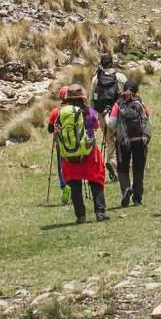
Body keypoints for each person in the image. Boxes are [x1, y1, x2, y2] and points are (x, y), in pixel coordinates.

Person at [47, 84, 110, 223]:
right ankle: (100, 212)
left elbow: (52, 129)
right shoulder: (89, 112)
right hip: (89, 153)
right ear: (83, 98)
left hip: (69, 155)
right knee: (96, 180)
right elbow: (96, 126)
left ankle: (81, 216)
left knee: (74, 185)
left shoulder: (59, 112)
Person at [107, 77, 150, 207]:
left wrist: (105, 115)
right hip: (140, 140)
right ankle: (137, 198)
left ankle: (126, 189)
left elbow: (112, 124)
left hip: (123, 141)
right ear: (137, 90)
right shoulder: (140, 103)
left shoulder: (118, 104)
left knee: (123, 168)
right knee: (138, 169)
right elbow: (147, 118)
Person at [90, 53, 124, 183]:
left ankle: (111, 162)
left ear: (101, 63)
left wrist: (94, 117)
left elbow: (91, 99)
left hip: (102, 113)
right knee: (121, 139)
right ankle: (120, 165)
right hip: (119, 112)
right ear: (112, 62)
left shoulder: (96, 79)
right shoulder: (119, 77)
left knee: (109, 140)